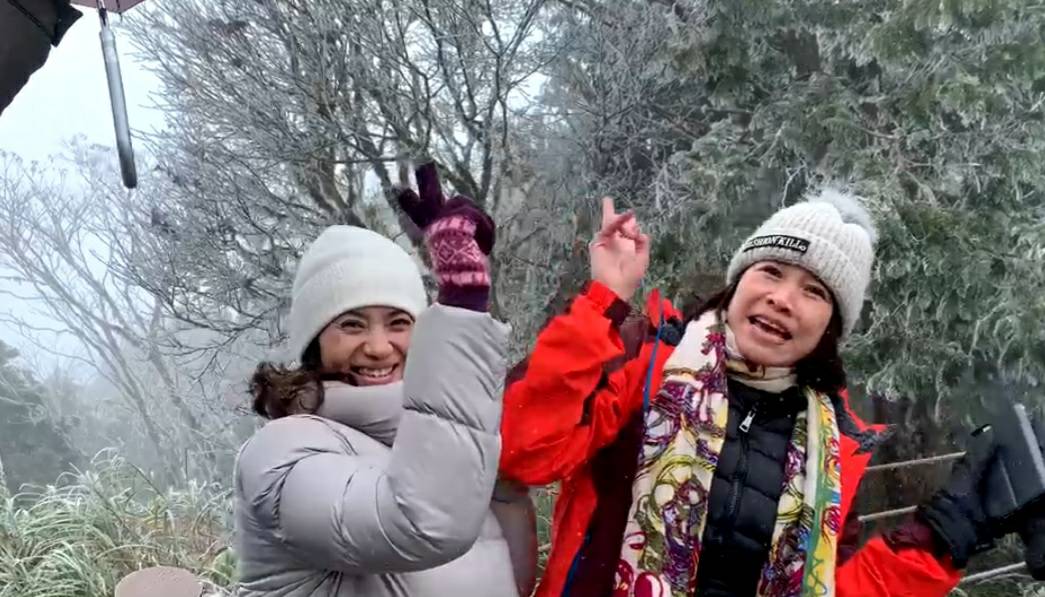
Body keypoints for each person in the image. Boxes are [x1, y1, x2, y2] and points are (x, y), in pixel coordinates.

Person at [499, 188, 1015, 597]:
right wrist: (603, 302)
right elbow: (523, 451)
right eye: (771, 270)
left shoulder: (832, 451)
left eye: (814, 291)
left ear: (832, 327)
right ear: (738, 280)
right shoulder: (645, 364)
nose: (782, 298)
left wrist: (943, 537)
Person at [233, 162, 526, 597]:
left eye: (398, 322)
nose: (379, 346)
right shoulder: (281, 454)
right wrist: (464, 305)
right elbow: (424, 524)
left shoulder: (447, 443)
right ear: (315, 342)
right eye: (352, 325)